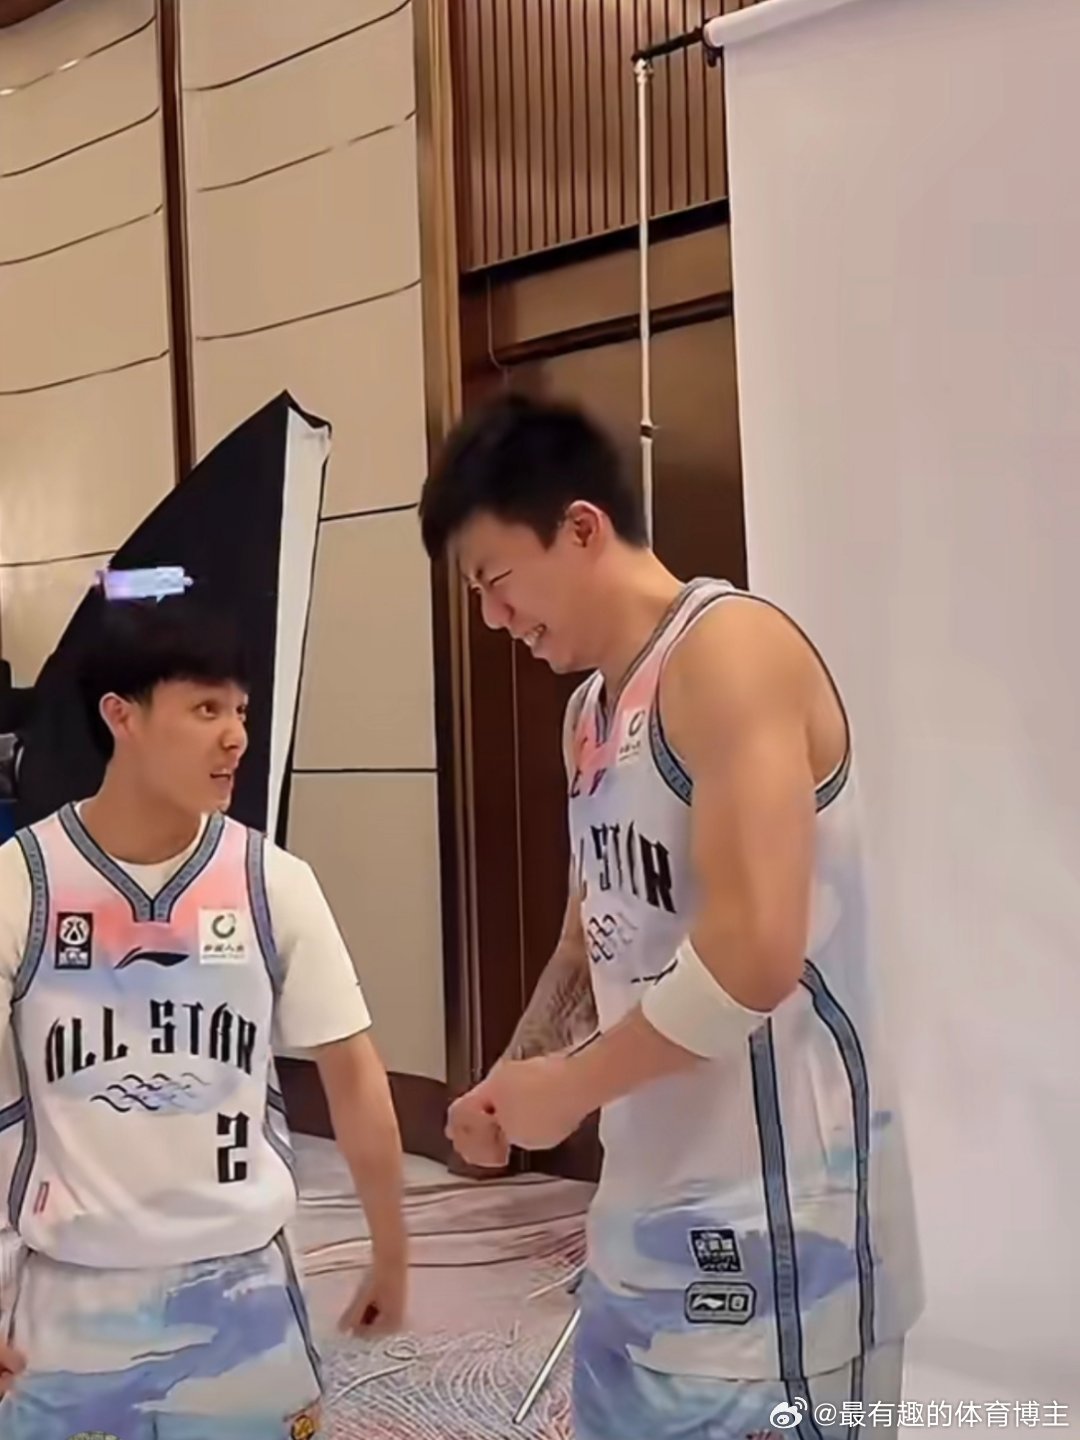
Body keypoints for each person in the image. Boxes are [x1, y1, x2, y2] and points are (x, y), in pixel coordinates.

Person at [419, 394, 923, 1440]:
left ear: (581, 527)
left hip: (784, 1240)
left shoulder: (731, 651)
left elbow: (753, 954)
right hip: (642, 1228)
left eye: (496, 581)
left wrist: (569, 1088)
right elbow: (590, 930)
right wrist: (515, 1080)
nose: (494, 619)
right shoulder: (589, 716)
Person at [0, 583, 407, 1440]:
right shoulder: (20, 886)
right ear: (122, 715)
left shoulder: (272, 882)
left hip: (242, 1291)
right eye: (205, 709)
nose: (236, 737)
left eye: (242, 711)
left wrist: (391, 1250)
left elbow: (354, 1075)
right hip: (69, 1299)